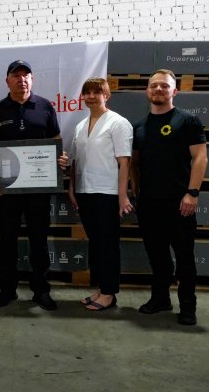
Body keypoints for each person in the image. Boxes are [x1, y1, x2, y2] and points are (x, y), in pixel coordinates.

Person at [131, 69, 207, 326]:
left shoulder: (187, 121)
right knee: (158, 256)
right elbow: (135, 165)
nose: (158, 90)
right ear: (147, 91)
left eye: (164, 86)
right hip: (149, 203)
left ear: (174, 91)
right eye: (154, 86)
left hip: (180, 203)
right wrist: (135, 192)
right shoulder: (139, 127)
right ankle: (161, 299)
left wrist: (192, 193)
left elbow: (200, 158)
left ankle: (188, 306)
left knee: (184, 257)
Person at [0, 60, 60, 311]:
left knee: (39, 240)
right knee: (7, 240)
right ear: (7, 81)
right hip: (8, 189)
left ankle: (41, 291)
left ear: (33, 79)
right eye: (16, 75)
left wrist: (58, 157)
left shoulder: (45, 106)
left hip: (39, 188)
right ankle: (8, 290)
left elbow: (55, 140)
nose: (22, 79)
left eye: (26, 75)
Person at [58, 78, 133, 311]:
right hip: (85, 191)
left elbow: (125, 163)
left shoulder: (118, 123)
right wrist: (72, 189)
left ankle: (110, 294)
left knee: (108, 244)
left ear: (106, 95)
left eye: (96, 92)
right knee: (97, 244)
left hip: (108, 193)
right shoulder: (81, 126)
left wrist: (122, 196)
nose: (91, 96)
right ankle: (101, 289)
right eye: (87, 92)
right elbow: (74, 162)